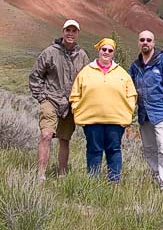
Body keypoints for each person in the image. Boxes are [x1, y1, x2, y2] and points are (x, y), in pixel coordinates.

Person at [29, 19, 90, 181]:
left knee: (65, 139)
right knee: (46, 135)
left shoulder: (82, 56)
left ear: (77, 34)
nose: (70, 33)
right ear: (63, 32)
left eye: (74, 31)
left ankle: (62, 173)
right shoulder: (50, 52)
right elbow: (36, 75)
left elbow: (88, 80)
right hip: (50, 99)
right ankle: (41, 174)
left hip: (70, 104)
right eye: (68, 30)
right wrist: (41, 97)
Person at [70, 37, 137, 183]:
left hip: (116, 121)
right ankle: (93, 182)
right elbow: (75, 94)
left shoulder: (122, 74)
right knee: (94, 149)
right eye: (103, 49)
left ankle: (114, 182)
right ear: (99, 50)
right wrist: (77, 110)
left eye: (110, 50)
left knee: (114, 150)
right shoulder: (85, 72)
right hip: (92, 121)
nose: (106, 52)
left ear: (113, 53)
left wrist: (128, 112)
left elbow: (132, 95)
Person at [129, 30, 163, 194]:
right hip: (144, 114)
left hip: (161, 113)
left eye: (148, 40)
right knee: (149, 148)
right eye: (142, 40)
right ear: (138, 43)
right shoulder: (135, 66)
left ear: (153, 42)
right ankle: (157, 176)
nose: (145, 42)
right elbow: (128, 89)